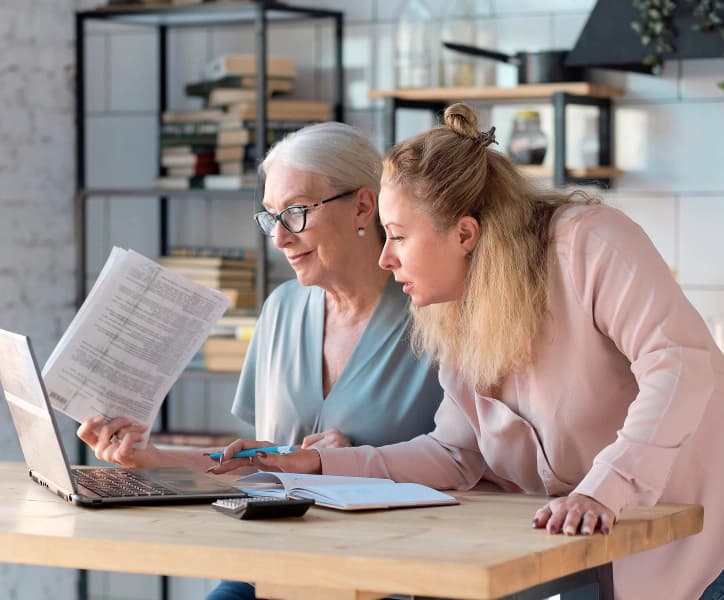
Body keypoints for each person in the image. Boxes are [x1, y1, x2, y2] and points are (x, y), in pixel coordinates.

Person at [213, 103, 724, 600]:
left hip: (705, 546)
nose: (386, 258)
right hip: (597, 553)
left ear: (464, 233)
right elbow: (454, 454)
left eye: (397, 236)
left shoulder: (589, 245)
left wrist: (604, 487)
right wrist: (318, 465)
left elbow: (681, 363)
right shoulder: (452, 305)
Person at [77, 122, 445, 600]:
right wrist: (149, 460)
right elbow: (264, 469)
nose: (279, 238)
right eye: (271, 217)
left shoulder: (435, 315)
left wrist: (335, 462)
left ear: (362, 205)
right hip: (272, 568)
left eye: (295, 212)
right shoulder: (281, 308)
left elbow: (469, 466)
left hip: (390, 576)